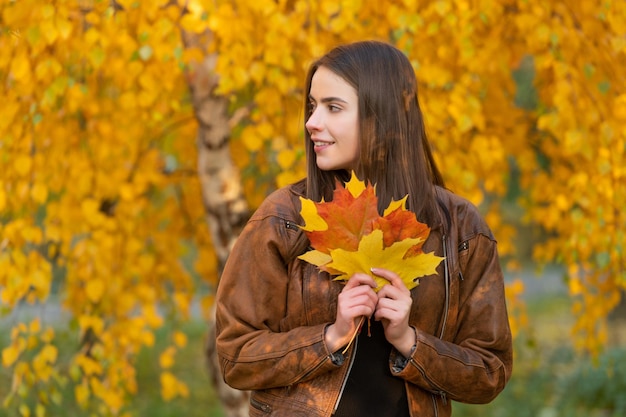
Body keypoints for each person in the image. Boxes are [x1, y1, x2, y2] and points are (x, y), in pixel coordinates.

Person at [215, 40, 513, 417]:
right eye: (312, 106)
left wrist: (410, 341)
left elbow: (490, 370)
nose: (311, 122)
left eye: (332, 107)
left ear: (382, 119)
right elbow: (235, 355)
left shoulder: (458, 228)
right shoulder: (285, 217)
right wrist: (329, 337)